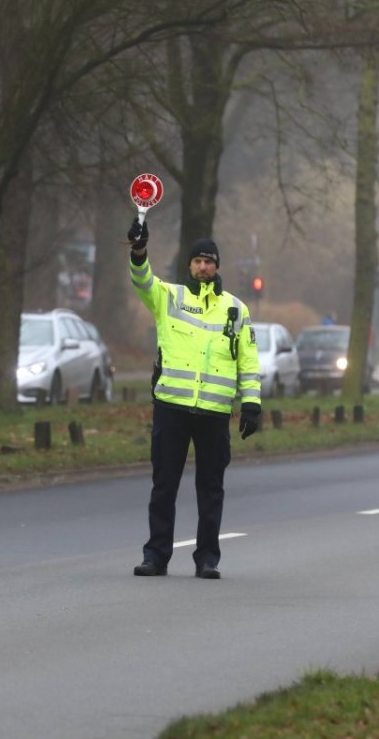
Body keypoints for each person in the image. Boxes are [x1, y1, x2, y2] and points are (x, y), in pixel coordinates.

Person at [126, 216, 261, 580]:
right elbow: (141, 280)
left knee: (211, 488)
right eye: (198, 261)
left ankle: (207, 558)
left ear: (218, 266)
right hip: (172, 407)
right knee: (164, 484)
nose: (203, 267)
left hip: (215, 412)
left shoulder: (236, 309)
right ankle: (155, 556)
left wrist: (252, 403)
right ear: (189, 265)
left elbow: (248, 360)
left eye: (209, 261)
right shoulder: (169, 297)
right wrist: (139, 250)